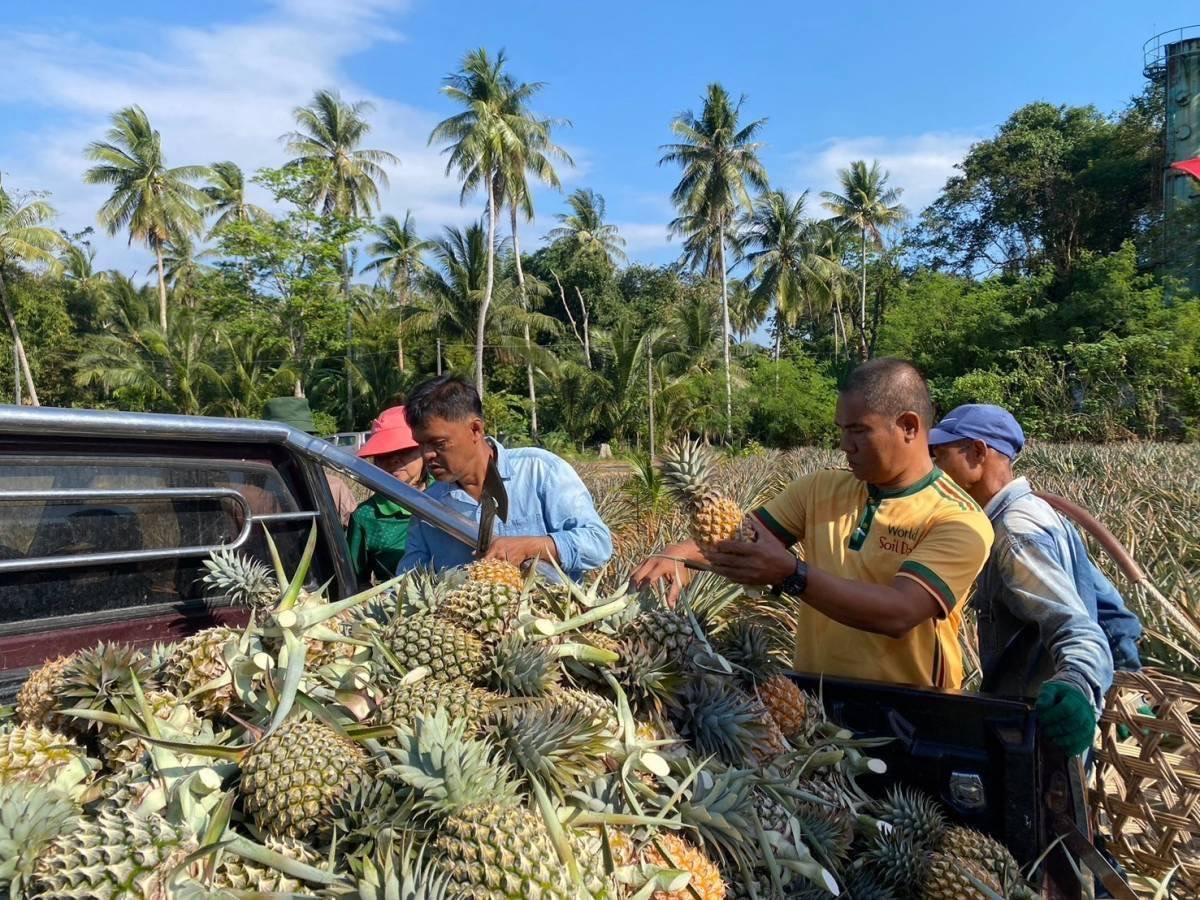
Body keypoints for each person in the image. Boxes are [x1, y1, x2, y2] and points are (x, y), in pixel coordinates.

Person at [632, 358, 994, 690]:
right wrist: (679, 555)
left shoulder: (959, 519)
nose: (844, 445)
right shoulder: (820, 488)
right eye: (841, 430)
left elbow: (900, 612)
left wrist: (793, 574)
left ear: (909, 427)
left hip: (912, 709)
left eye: (858, 431)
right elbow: (745, 539)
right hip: (814, 697)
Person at [929, 403, 1143, 756]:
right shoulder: (1038, 512)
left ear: (976, 454)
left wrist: (1078, 686)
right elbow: (1110, 609)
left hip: (1036, 732)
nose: (934, 472)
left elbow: (1075, 627)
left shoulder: (1014, 532)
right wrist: (1127, 685)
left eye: (940, 457)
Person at [397, 375, 613, 580]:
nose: (426, 455)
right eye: (421, 444)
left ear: (475, 429)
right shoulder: (428, 509)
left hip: (554, 618)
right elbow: (407, 583)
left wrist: (532, 547)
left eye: (439, 443)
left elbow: (598, 544)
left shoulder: (539, 471)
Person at [346, 406, 426, 588]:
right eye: (384, 455)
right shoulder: (366, 516)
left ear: (423, 450)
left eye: (404, 451)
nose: (394, 460)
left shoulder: (448, 495)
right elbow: (355, 579)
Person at [262, 397, 358, 526]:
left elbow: (352, 533)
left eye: (299, 443)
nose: (294, 451)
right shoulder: (252, 494)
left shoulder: (334, 488)